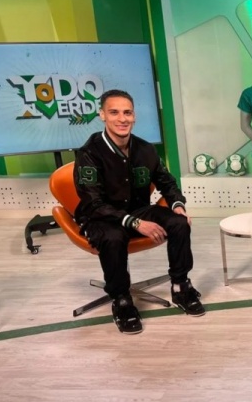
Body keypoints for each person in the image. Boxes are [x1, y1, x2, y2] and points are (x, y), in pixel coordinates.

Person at [74, 89, 205, 334]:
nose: (122, 119)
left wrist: (177, 204)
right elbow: (93, 203)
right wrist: (134, 223)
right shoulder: (89, 152)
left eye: (127, 113)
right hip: (102, 217)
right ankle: (121, 299)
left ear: (134, 116)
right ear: (102, 115)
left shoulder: (146, 149)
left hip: (138, 210)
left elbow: (167, 182)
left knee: (179, 222)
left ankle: (180, 286)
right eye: (114, 112)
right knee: (113, 238)